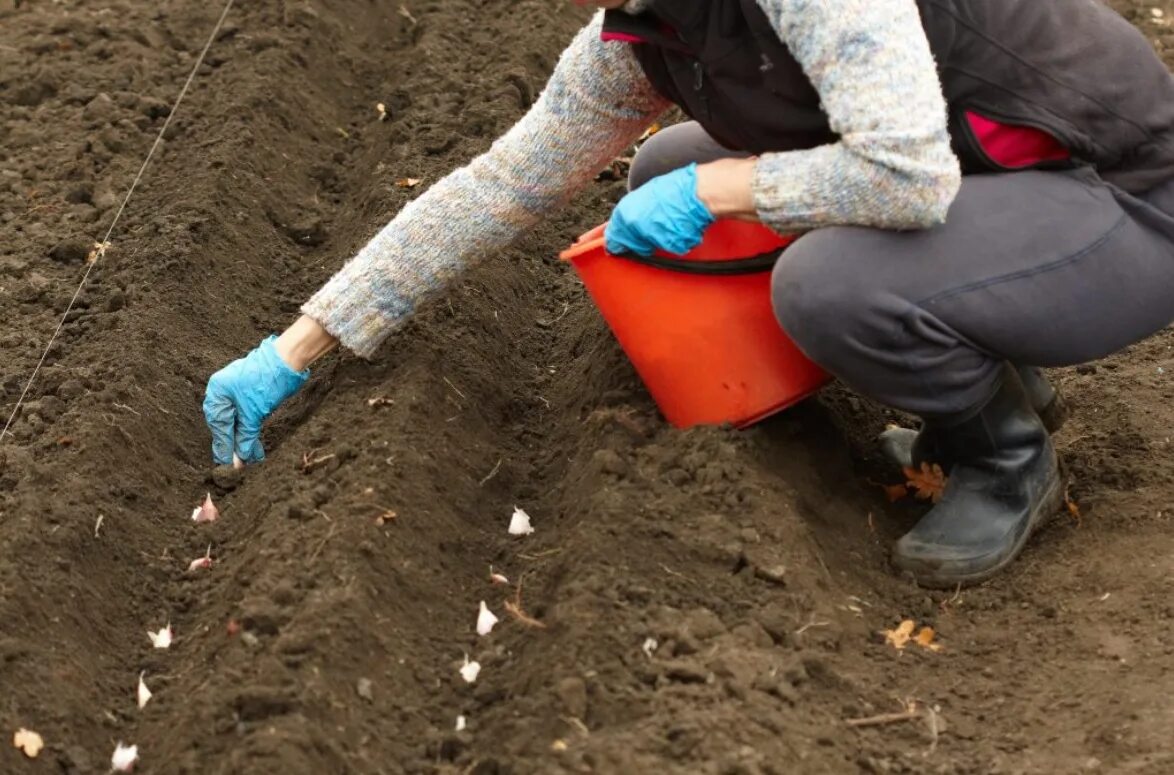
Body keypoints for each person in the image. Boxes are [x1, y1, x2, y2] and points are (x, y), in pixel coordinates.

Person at [204, 0, 1174, 588]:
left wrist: (721, 188)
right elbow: (503, 186)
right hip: (993, 181)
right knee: (661, 159)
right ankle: (982, 360)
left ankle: (1002, 460)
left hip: (1123, 198)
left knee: (827, 284)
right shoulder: (646, 29)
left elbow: (908, 181)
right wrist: (299, 345)